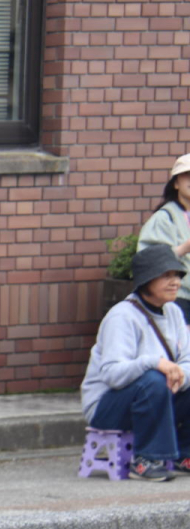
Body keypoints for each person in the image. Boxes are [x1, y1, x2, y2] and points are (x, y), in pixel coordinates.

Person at [81, 244, 190, 481]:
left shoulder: (173, 312)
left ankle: (184, 454)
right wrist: (154, 362)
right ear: (146, 280)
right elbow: (111, 374)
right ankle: (146, 460)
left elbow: (187, 360)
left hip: (155, 397)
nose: (175, 282)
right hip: (106, 406)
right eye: (166, 275)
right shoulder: (122, 316)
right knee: (153, 378)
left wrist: (180, 375)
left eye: (177, 275)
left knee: (175, 379)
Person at [137, 153, 190, 319]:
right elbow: (149, 261)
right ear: (175, 183)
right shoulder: (164, 218)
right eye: (187, 175)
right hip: (178, 300)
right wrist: (184, 248)